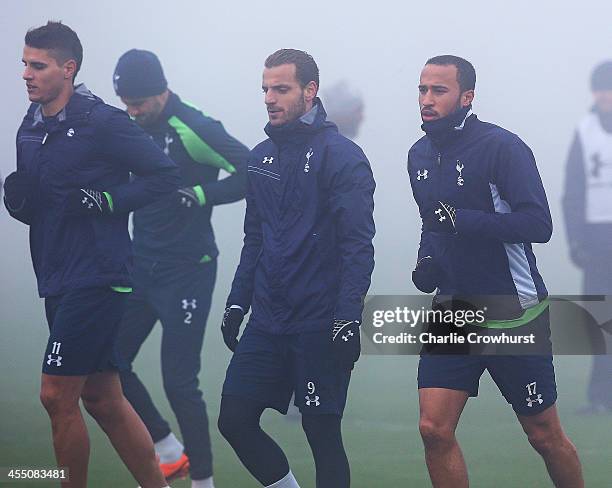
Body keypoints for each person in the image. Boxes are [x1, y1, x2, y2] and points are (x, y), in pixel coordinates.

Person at [3, 22, 180, 488]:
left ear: (68, 68)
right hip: (57, 275)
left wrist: (107, 201)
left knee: (56, 396)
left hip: (98, 277)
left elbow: (164, 176)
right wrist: (21, 203)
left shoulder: (103, 122)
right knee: (103, 399)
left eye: (37, 65)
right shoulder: (30, 125)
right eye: (24, 63)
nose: (26, 73)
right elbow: (49, 204)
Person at [407, 55, 584, 488]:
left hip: (513, 310)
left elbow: (538, 224)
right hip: (452, 309)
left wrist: (462, 220)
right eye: (422, 90)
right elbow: (433, 221)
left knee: (543, 435)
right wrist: (426, 257)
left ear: (467, 96)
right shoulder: (419, 154)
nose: (427, 100)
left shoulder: (502, 147)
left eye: (439, 90)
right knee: (433, 430)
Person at [217, 49, 375, 488]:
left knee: (321, 432)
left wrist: (347, 317)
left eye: (281, 89)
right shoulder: (259, 157)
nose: (270, 98)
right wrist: (236, 303)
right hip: (267, 319)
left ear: (310, 91)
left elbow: (357, 247)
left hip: (319, 321)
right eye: (265, 89)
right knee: (234, 419)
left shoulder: (342, 157)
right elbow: (255, 239)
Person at [112, 49, 249, 486]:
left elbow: (252, 170)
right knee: (109, 361)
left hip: (188, 270)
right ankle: (169, 449)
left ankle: (203, 481)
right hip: (140, 267)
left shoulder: (194, 126)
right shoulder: (130, 127)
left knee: (179, 381)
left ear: (161, 91)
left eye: (139, 103)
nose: (132, 112)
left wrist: (202, 193)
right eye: (125, 104)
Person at [562, 60, 612, 415]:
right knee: (601, 321)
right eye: (599, 88)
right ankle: (599, 396)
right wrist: (576, 240)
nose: (603, 95)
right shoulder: (585, 131)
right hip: (598, 238)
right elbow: (573, 190)